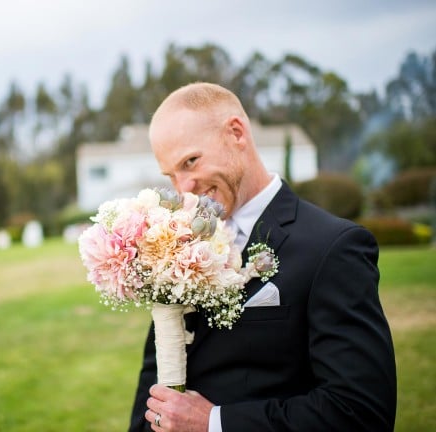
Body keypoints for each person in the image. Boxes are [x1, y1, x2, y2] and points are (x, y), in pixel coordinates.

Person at [129, 83, 396, 431]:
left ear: (236, 133)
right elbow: (154, 381)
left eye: (190, 162)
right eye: (171, 175)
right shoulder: (178, 242)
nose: (183, 188)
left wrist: (214, 423)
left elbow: (360, 412)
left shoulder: (333, 247)